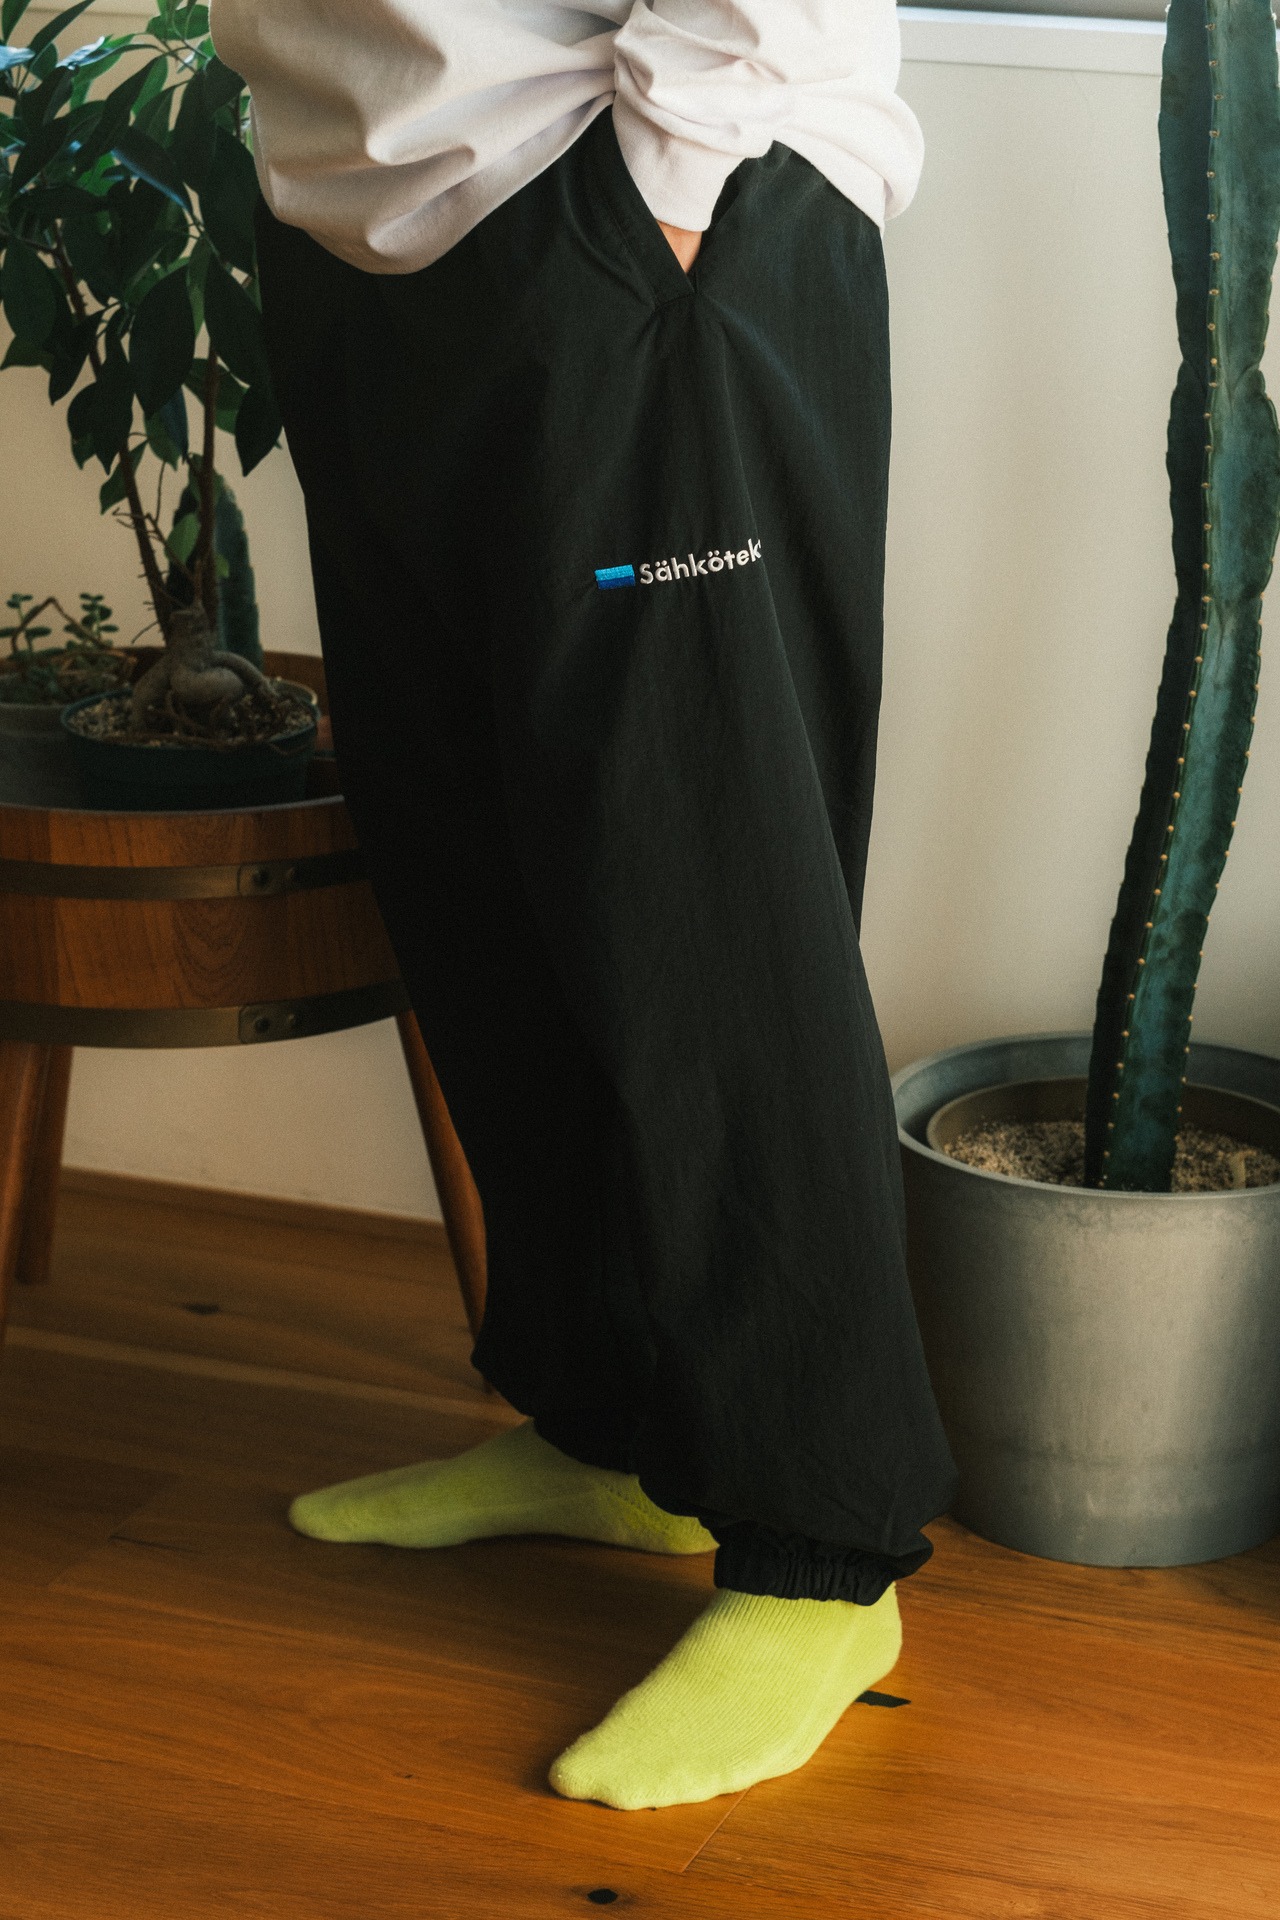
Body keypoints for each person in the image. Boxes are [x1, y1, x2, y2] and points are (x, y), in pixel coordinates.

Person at [209, 0, 957, 1812]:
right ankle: (612, 1430)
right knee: (477, 876)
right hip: (362, 207)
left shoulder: (652, 199)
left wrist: (668, 187)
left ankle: (819, 1553)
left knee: (703, 899)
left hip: (627, 207)